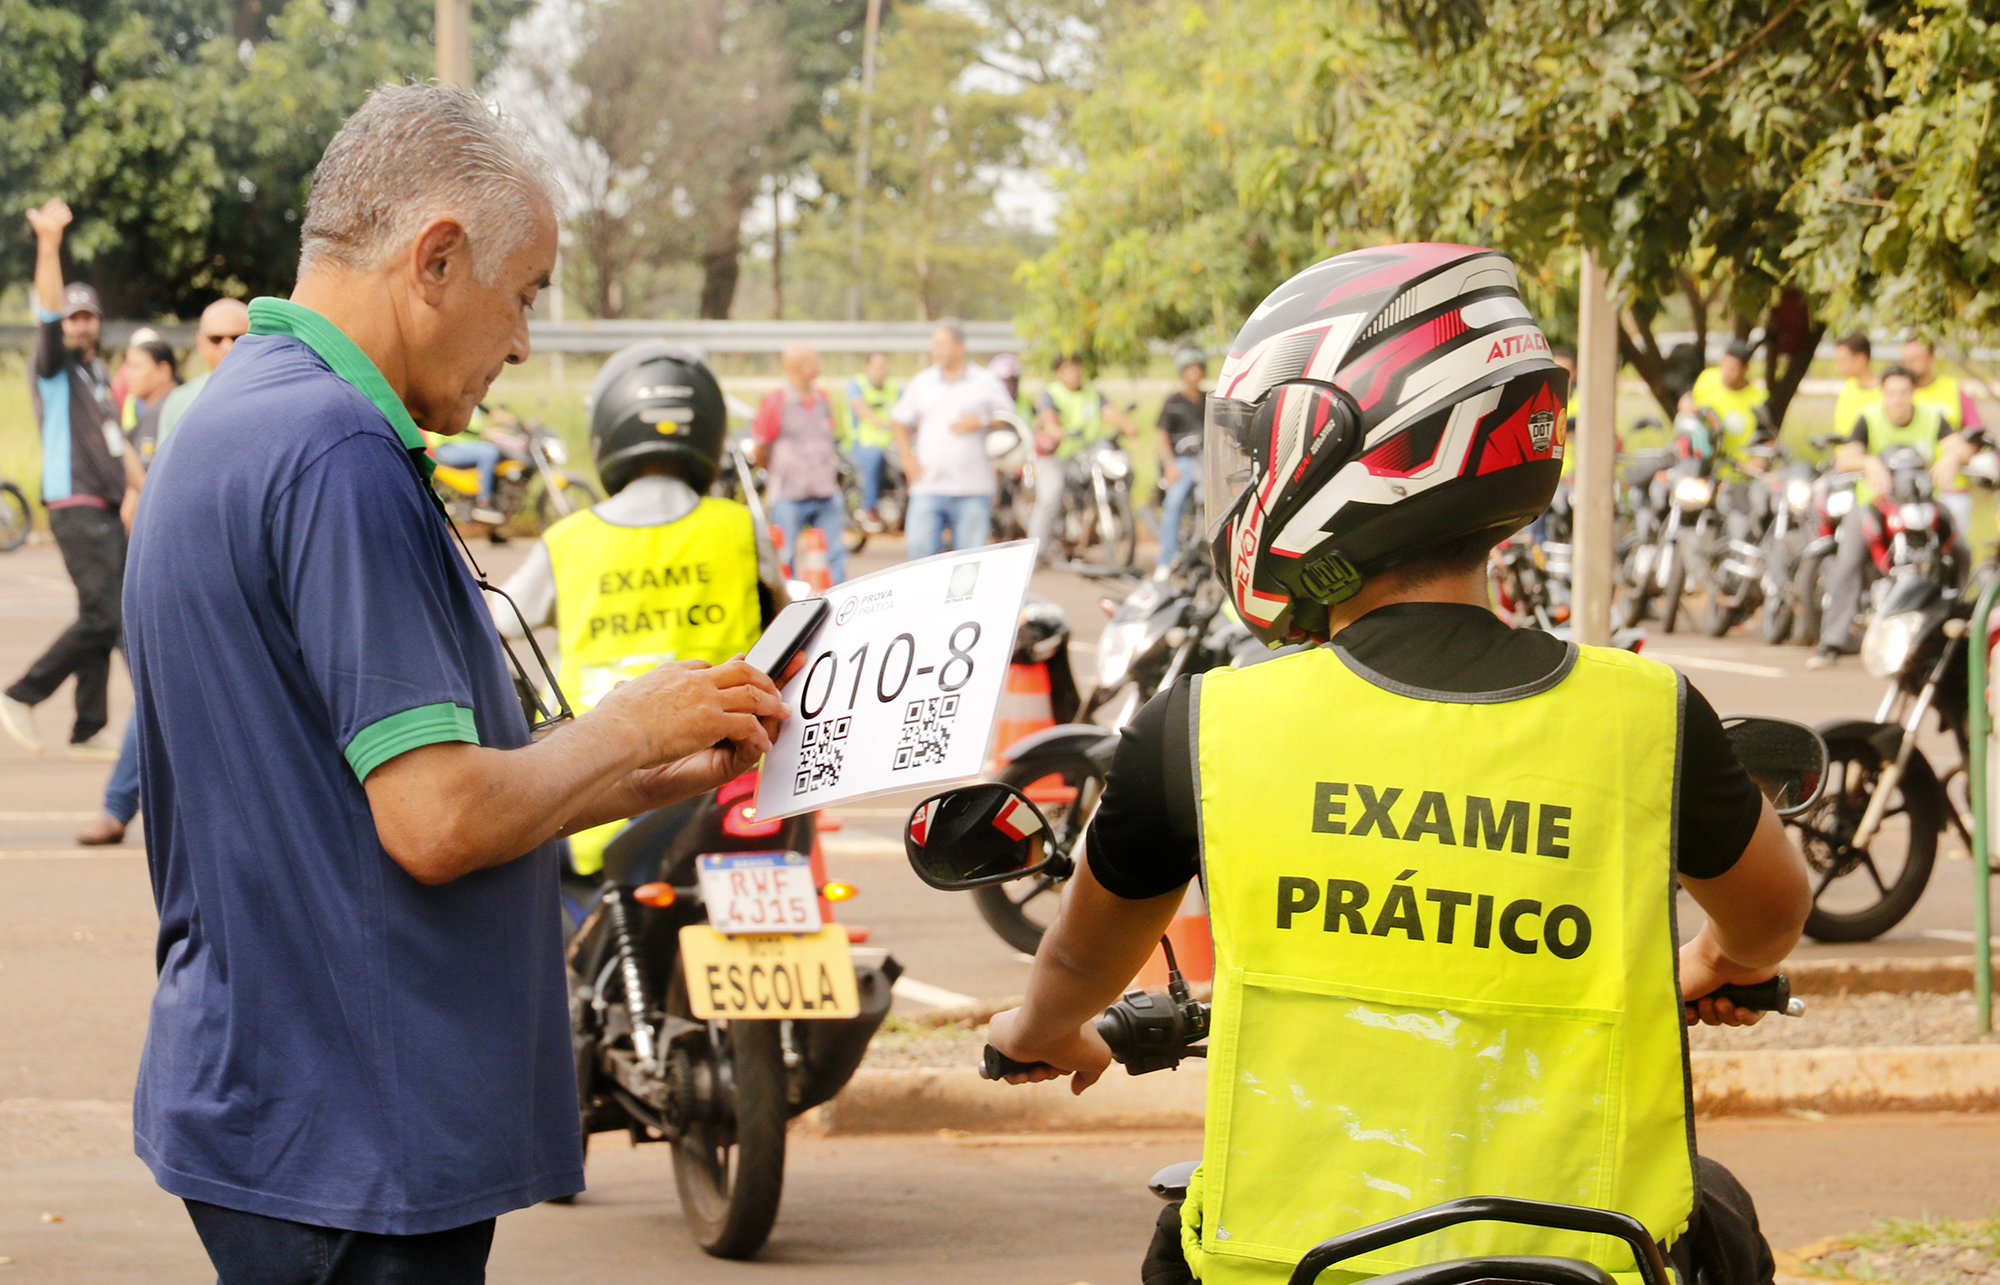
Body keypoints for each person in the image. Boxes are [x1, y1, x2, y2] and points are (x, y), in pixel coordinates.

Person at [982, 245, 1811, 1285]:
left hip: (1281, 1266)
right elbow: (1771, 910)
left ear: (1336, 454)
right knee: (1717, 1211)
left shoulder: (1200, 728)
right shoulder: (1650, 716)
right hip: (1587, 1260)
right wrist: (1718, 963)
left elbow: (1076, 963)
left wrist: (1040, 1031)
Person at [121, 84, 789, 1283]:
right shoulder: (339, 451)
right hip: (354, 1130)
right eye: (523, 293)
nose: (523, 341)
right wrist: (629, 721)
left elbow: (359, 793)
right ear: (435, 258)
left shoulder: (236, 416)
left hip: (274, 1099)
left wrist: (648, 767)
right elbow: (434, 820)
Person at [499, 342, 789, 876]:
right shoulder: (738, 527)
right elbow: (786, 623)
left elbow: (495, 625)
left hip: (595, 785)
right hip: (732, 778)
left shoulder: (569, 540)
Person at [79, 319, 245, 847]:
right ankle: (118, 805)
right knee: (164, 685)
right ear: (198, 345)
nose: (228, 346)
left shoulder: (275, 398)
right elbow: (144, 486)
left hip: (246, 568)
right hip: (188, 568)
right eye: (216, 337)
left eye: (239, 335)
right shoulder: (176, 405)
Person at [0, 201, 134, 762]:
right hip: (75, 504)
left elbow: (119, 445)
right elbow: (49, 312)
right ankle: (21, 694)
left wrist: (139, 490)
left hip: (106, 506)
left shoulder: (97, 372)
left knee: (100, 613)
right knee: (109, 616)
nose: (79, 324)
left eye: (87, 316)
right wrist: (49, 245)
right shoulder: (52, 367)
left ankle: (88, 727)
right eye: (72, 317)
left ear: (98, 322)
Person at [1808, 364, 1973, 668]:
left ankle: (1957, 630)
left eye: (1903, 392)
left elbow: (1960, 448)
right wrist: (1869, 462)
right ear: (1883, 394)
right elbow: (1844, 457)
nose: (1898, 399)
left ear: (1913, 392)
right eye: (1892, 393)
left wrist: (1952, 456)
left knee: (1961, 550)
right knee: (1848, 561)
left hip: (1921, 503)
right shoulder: (1869, 418)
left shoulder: (1932, 417)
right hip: (1874, 505)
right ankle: (1831, 642)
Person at [891, 319, 1014, 559]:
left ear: (960, 346)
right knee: (920, 554)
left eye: (942, 344)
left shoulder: (985, 381)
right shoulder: (923, 381)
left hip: (973, 488)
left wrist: (982, 421)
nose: (936, 350)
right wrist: (907, 459)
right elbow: (899, 421)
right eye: (934, 344)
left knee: (968, 564)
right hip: (928, 485)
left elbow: (1010, 419)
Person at [755, 341, 848, 584]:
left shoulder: (822, 398)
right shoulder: (775, 401)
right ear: (798, 367)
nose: (819, 366)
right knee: (785, 557)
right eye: (814, 362)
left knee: (835, 555)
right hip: (789, 494)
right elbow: (761, 446)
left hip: (825, 490)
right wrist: (776, 473)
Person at [1030, 353, 1138, 561]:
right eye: (1068, 369)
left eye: (1076, 367)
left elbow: (1109, 411)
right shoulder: (1052, 393)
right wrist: (1055, 430)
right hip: (1058, 455)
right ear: (1058, 373)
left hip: (1087, 452)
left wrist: (1127, 426)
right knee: (1051, 495)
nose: (1074, 372)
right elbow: (1048, 418)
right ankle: (1037, 550)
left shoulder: (1091, 391)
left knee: (1122, 471)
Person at [1900, 335, 1986, 532]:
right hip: (1906, 493)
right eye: (1905, 360)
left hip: (1950, 490)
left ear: (1932, 358)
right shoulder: (1898, 394)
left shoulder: (1953, 390)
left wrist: (1954, 456)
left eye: (1915, 359)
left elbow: (1976, 437)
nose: (1908, 366)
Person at [155, 298, 250, 444]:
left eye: (237, 338)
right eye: (216, 339)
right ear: (200, 342)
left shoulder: (271, 396)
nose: (227, 347)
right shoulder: (179, 401)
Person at [1154, 345, 1206, 570]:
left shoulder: (1210, 400)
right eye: (1190, 369)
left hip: (1206, 462)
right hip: (1182, 462)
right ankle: (1166, 560)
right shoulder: (1173, 401)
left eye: (1198, 368)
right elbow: (1162, 435)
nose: (1194, 373)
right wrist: (1170, 465)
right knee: (1173, 503)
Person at [1689, 339, 1771, 475]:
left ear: (1745, 369)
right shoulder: (1707, 379)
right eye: (1723, 366)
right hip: (1702, 470)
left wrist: (1758, 461)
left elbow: (1770, 439)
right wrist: (1687, 406)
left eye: (1732, 369)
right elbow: (1688, 403)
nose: (1725, 373)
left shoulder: (1759, 399)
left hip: (1738, 474)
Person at [844, 350, 899, 532]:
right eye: (878, 367)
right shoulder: (857, 384)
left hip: (890, 443)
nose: (882, 371)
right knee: (873, 456)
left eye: (884, 367)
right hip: (861, 444)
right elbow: (859, 407)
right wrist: (878, 422)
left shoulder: (893, 388)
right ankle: (869, 507)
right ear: (867, 367)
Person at [426, 408, 509, 527]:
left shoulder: (474, 401)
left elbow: (489, 411)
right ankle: (483, 503)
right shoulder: (456, 399)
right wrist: (482, 433)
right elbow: (453, 426)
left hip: (466, 445)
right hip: (446, 448)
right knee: (489, 452)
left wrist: (512, 421)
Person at [120, 338, 181, 469]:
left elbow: (146, 474)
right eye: (128, 367)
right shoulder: (181, 403)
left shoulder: (159, 413)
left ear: (164, 370)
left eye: (137, 367)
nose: (128, 375)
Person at [1830, 332, 1881, 453]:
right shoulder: (1848, 387)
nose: (1837, 368)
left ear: (1860, 359)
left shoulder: (1884, 393)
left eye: (1842, 361)